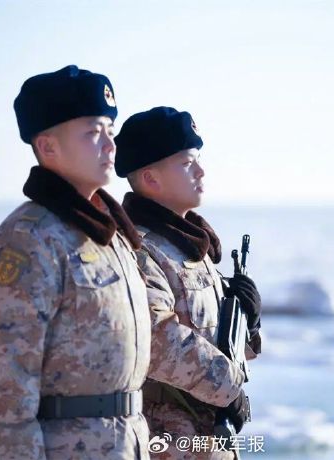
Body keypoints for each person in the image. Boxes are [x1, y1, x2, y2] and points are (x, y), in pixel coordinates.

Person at [0, 65, 151, 459]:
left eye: (111, 131)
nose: (110, 146)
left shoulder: (112, 236)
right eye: (93, 133)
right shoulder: (27, 239)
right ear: (48, 147)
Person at [114, 107, 262, 459]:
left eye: (198, 160)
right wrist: (229, 388)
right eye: (186, 163)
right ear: (150, 178)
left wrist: (249, 322)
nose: (200, 171)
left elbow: (220, 345)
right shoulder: (139, 250)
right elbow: (155, 340)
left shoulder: (192, 249)